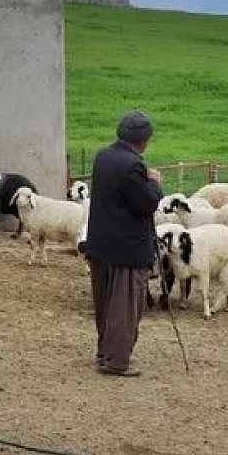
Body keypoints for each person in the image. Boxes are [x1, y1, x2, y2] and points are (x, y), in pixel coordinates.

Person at [82, 110, 164, 377]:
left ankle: (104, 353)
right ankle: (117, 361)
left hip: (101, 244)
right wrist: (154, 183)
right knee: (125, 307)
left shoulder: (103, 157)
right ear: (143, 141)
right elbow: (146, 203)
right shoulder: (133, 166)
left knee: (105, 303)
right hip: (126, 249)